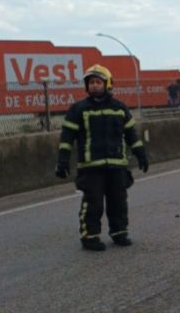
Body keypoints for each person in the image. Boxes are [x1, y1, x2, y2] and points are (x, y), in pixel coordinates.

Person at [55, 64, 149, 251]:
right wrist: (62, 161)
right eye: (91, 82)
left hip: (117, 166)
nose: (94, 86)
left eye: (98, 82)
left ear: (107, 84)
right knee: (93, 203)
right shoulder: (78, 109)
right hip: (91, 168)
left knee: (119, 202)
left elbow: (131, 135)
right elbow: (67, 139)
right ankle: (90, 236)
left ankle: (119, 232)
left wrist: (141, 155)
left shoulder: (120, 108)